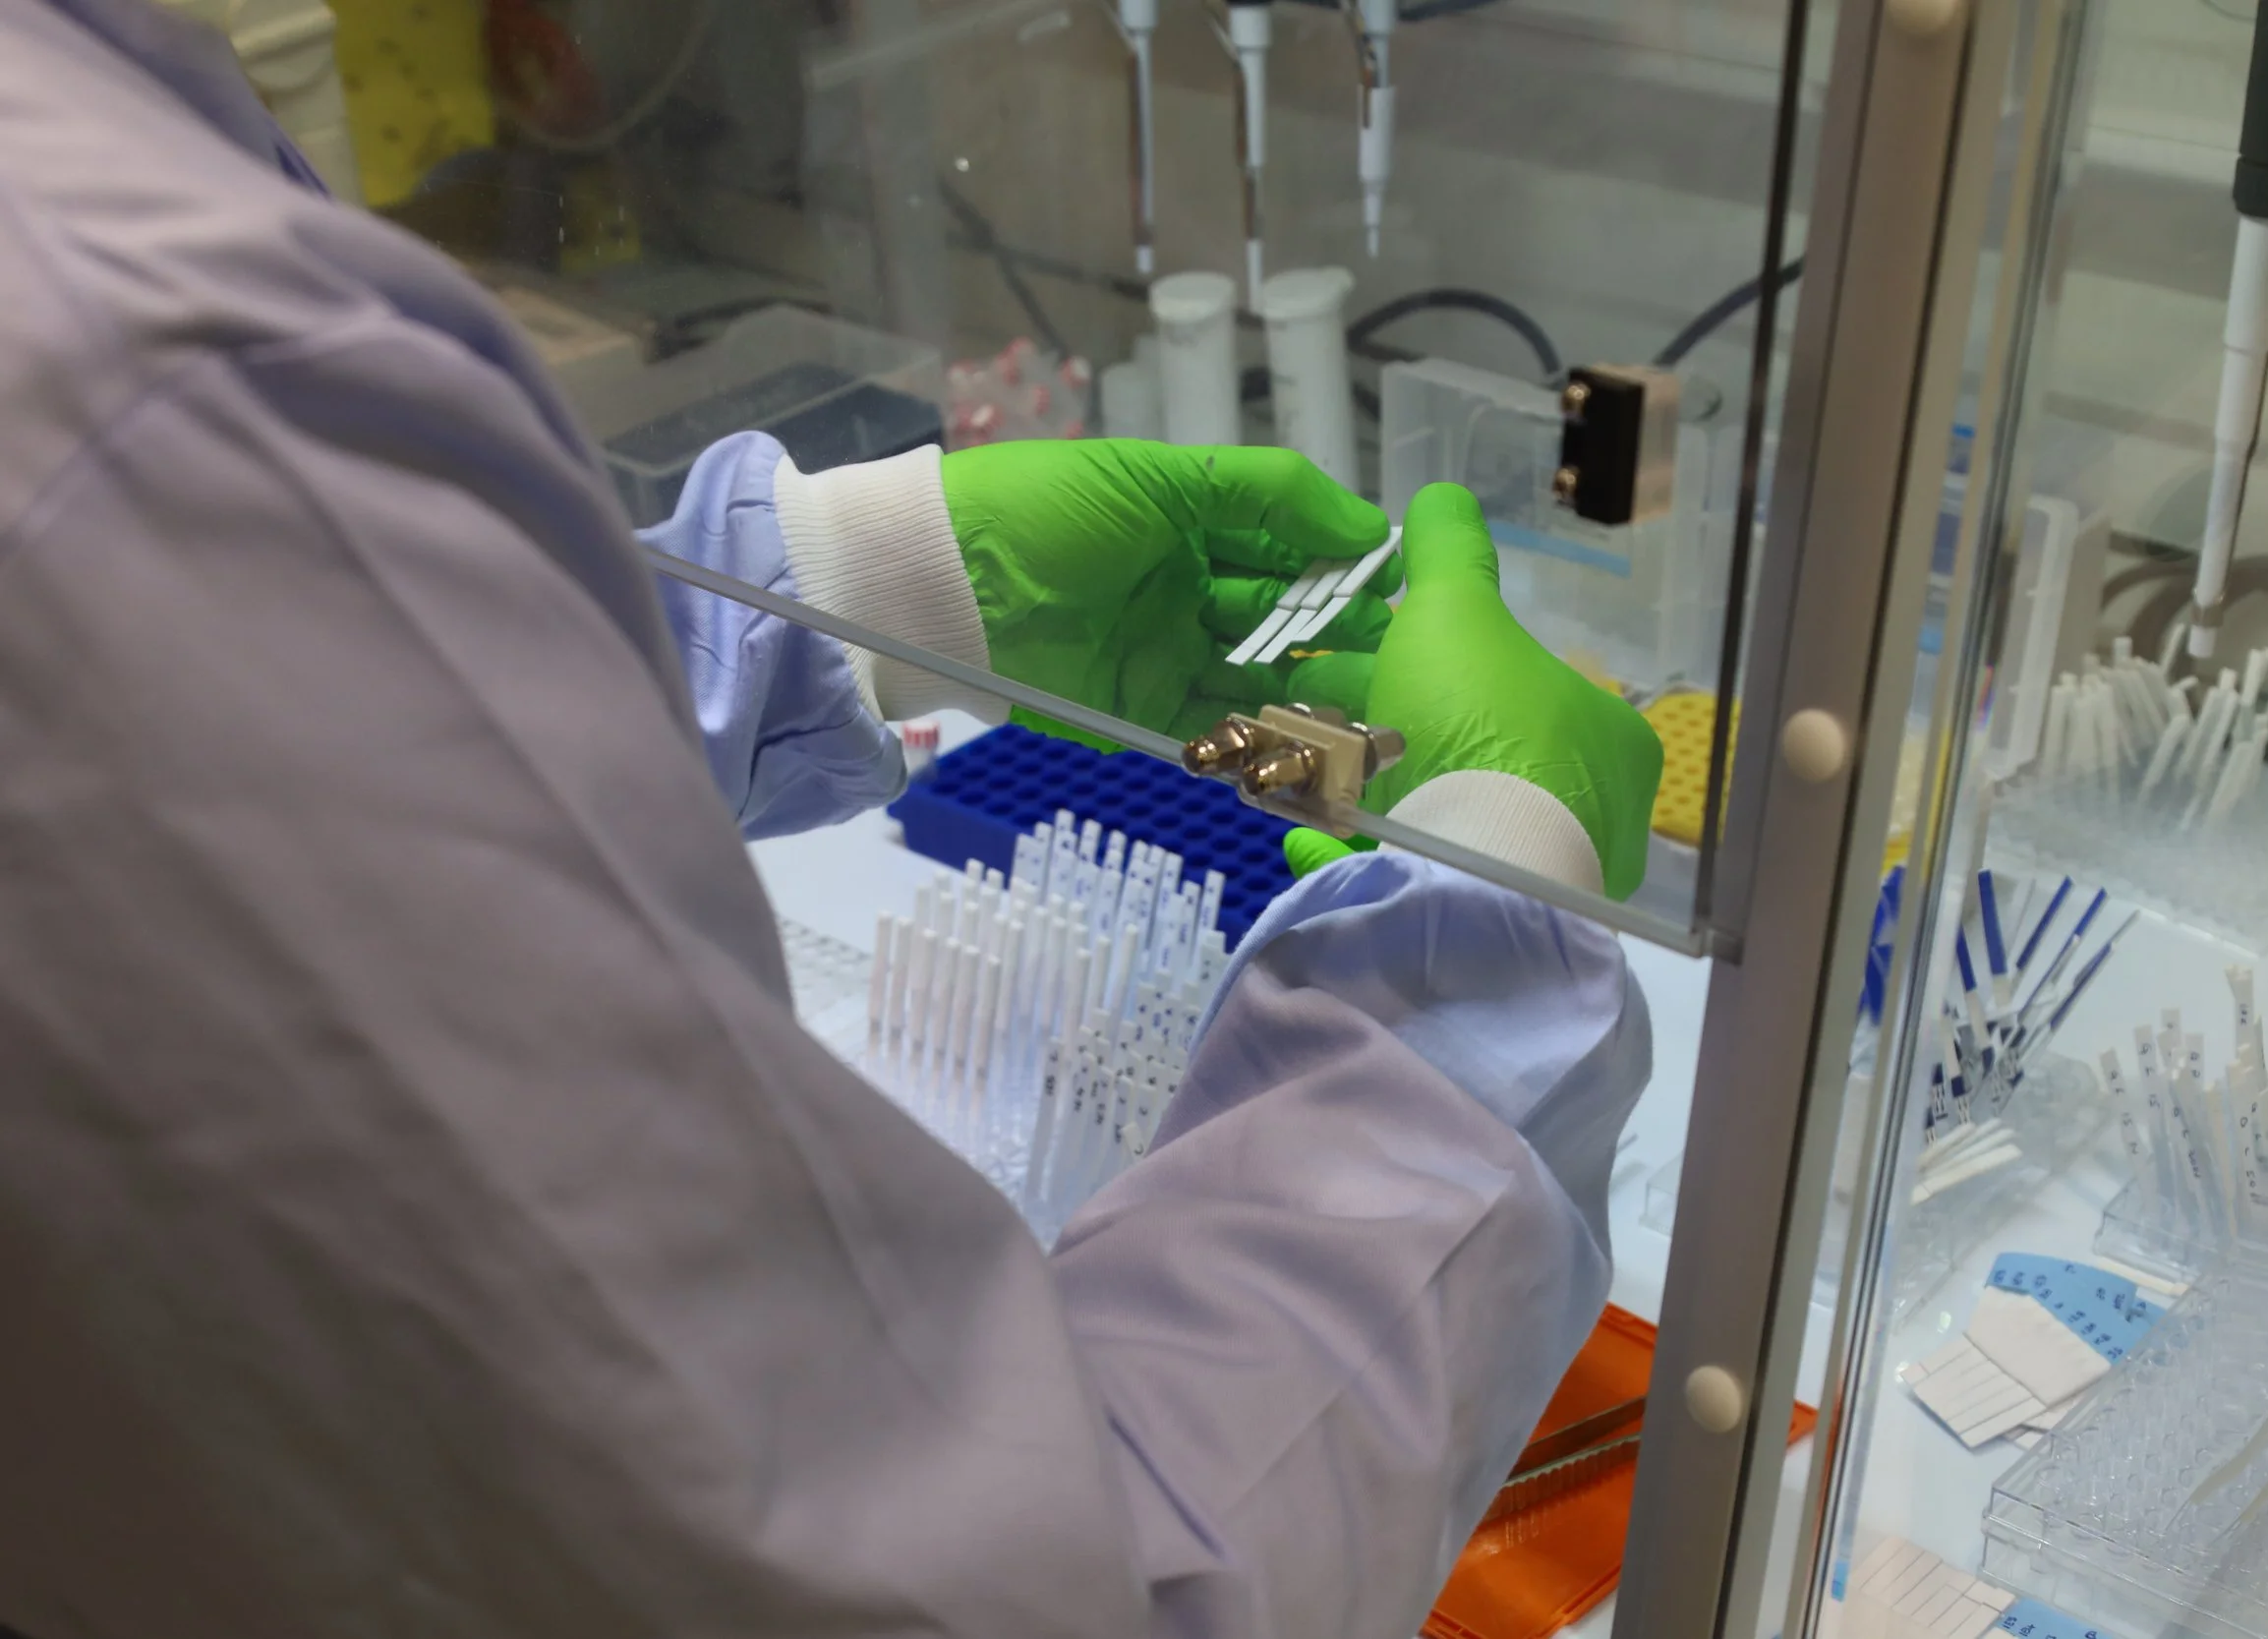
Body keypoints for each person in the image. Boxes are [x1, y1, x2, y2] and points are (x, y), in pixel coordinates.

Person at [0, 1, 1665, 1635]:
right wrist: (1486, 902)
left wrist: (844, 587)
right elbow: (1012, 1595)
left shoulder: (101, 173)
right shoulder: (132, 365)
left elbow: (316, 714)